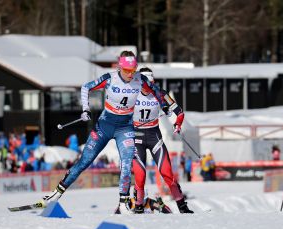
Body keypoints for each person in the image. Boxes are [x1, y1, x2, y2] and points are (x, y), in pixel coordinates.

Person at [39, 51, 166, 214]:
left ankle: (123, 202)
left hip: (125, 127)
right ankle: (56, 194)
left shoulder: (140, 80)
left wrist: (168, 107)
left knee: (126, 163)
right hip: (104, 125)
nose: (130, 74)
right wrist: (85, 109)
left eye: (133, 70)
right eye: (127, 70)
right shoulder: (110, 78)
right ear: (120, 67)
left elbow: (157, 92)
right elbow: (86, 87)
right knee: (84, 161)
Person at [130, 67, 193, 214]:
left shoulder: (160, 93)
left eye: (151, 84)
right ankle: (139, 206)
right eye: (145, 85)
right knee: (140, 176)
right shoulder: (132, 93)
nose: (148, 89)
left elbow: (180, 112)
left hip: (154, 136)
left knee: (167, 174)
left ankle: (182, 206)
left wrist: (178, 124)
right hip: (136, 137)